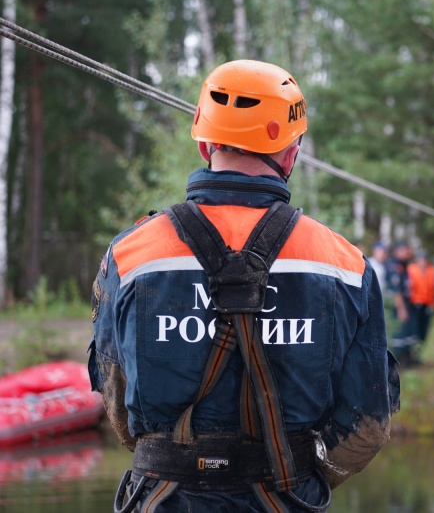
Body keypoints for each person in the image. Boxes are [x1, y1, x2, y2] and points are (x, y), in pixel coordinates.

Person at [88, 60, 400, 512]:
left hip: (163, 499)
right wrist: (293, 473)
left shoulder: (132, 255)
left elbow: (115, 396)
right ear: (291, 153)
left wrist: (173, 461)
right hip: (286, 498)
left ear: (205, 143)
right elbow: (367, 423)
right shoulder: (344, 265)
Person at [386, 241, 415, 366]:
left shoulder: (403, 265)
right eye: (404, 250)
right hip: (398, 305)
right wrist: (401, 309)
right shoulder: (394, 267)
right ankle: (397, 360)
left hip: (406, 303)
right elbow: (396, 291)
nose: (407, 253)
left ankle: (406, 357)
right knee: (399, 333)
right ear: (397, 252)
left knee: (406, 333)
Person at [406, 249, 434, 356]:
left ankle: (418, 352)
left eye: (424, 259)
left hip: (427, 304)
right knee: (414, 329)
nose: (423, 262)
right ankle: (411, 353)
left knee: (424, 330)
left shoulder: (432, 270)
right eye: (420, 259)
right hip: (414, 304)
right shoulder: (411, 270)